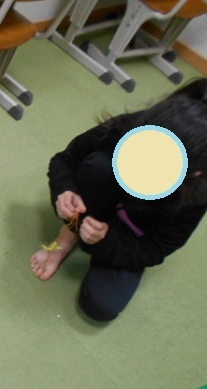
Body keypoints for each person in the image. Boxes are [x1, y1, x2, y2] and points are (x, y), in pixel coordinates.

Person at [30, 78, 207, 322]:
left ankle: (90, 235)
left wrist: (105, 241)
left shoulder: (198, 191)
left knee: (100, 306)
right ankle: (68, 235)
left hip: (130, 233)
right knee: (99, 166)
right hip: (96, 200)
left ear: (195, 173)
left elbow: (156, 249)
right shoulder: (132, 127)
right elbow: (66, 160)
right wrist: (65, 191)